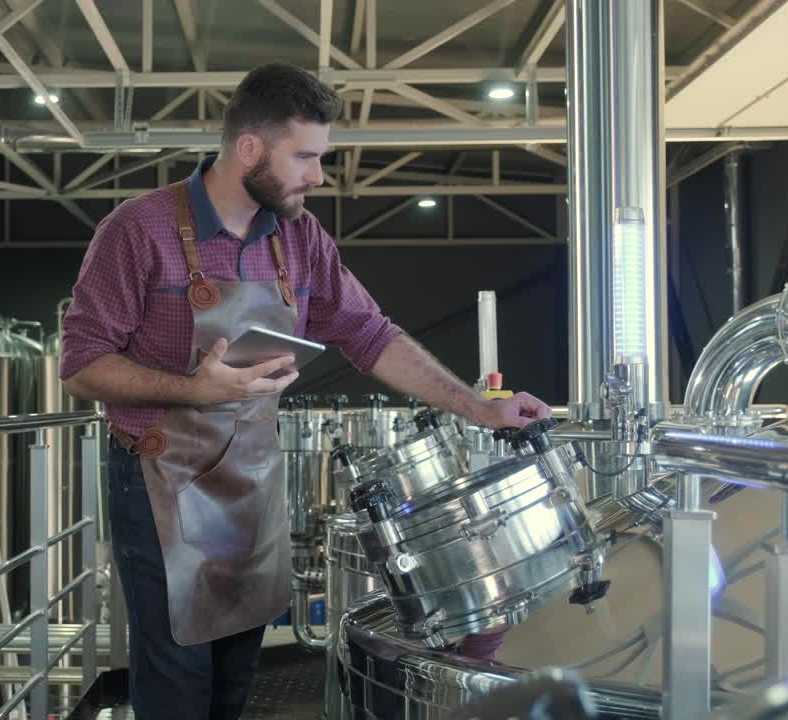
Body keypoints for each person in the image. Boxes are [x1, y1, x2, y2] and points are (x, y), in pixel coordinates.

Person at [60, 62, 550, 720]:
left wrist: (477, 405)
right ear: (251, 149)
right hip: (159, 483)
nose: (319, 175)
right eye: (307, 157)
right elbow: (83, 364)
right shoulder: (138, 230)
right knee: (178, 680)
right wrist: (192, 390)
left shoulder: (298, 239)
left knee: (236, 675)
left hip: (251, 482)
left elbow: (368, 332)